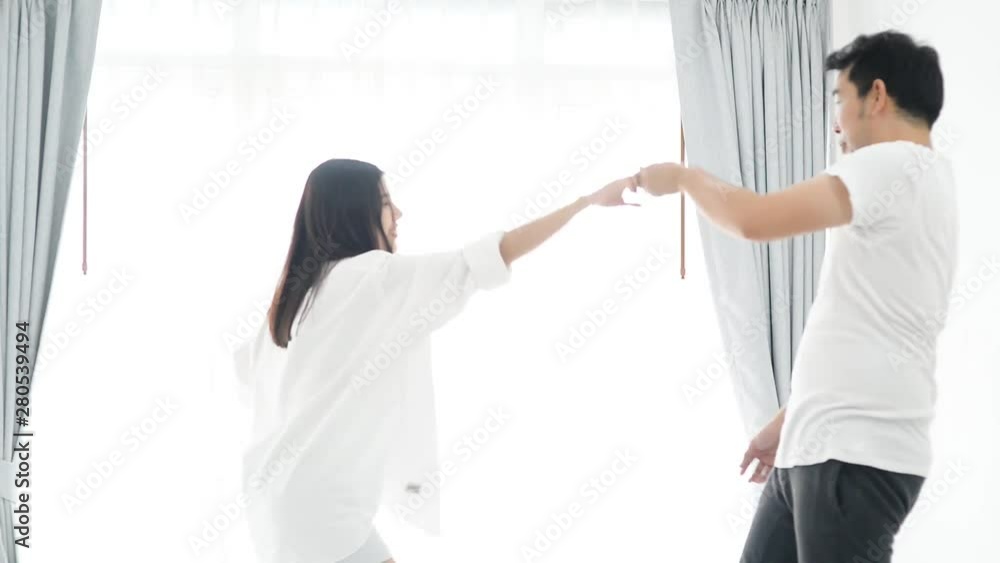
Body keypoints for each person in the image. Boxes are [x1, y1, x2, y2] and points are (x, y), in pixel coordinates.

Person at [629, 31, 956, 562]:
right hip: (818, 448)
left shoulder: (890, 165)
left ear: (876, 96)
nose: (836, 124)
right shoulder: (926, 180)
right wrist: (790, 419)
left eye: (840, 100)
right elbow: (860, 327)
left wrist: (685, 177)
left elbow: (754, 220)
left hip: (852, 458)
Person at [234, 158, 638, 563]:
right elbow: (485, 258)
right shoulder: (372, 275)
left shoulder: (293, 296)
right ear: (354, 210)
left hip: (275, 496)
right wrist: (585, 202)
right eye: (385, 202)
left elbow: (250, 377)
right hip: (320, 505)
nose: (399, 213)